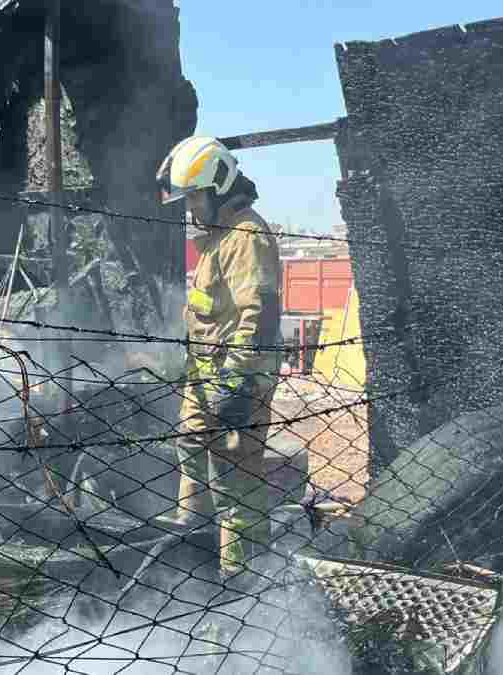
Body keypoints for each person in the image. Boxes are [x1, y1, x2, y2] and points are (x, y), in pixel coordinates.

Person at [154, 136, 283, 581]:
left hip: (238, 378)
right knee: (190, 447)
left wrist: (237, 381)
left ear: (220, 187)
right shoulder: (216, 237)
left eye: (194, 196)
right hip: (205, 374)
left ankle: (242, 582)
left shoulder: (245, 236)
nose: (190, 207)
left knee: (234, 481)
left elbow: (258, 314)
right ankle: (190, 553)